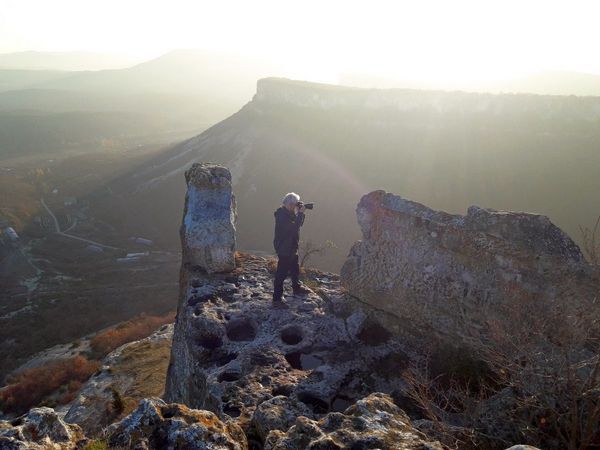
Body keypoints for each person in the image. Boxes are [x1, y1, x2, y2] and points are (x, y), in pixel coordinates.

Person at [272, 192, 311, 305]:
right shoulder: (281, 215)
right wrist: (300, 213)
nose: (294, 206)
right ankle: (277, 299)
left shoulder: (289, 213)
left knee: (294, 268)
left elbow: (299, 224)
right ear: (288, 204)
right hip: (284, 247)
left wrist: (300, 213)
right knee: (281, 273)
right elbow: (294, 228)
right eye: (293, 204)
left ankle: (296, 288)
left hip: (292, 246)